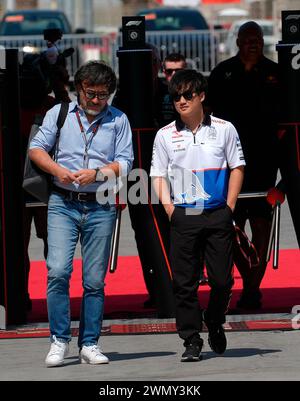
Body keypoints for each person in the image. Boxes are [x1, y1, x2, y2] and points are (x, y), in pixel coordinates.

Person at [29, 60, 133, 367]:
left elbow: (126, 162)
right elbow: (36, 148)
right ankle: (59, 340)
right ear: (79, 90)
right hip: (63, 202)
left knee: (94, 280)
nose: (96, 100)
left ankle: (89, 343)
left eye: (103, 94)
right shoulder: (59, 113)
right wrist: (58, 171)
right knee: (58, 271)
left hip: (101, 204)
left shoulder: (119, 120)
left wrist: (98, 173)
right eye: (90, 93)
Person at [150, 69, 245, 361]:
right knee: (184, 283)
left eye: (188, 94)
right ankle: (191, 339)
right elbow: (157, 175)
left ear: (201, 96)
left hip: (218, 213)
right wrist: (170, 210)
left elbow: (237, 167)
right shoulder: (164, 135)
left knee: (222, 281)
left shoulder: (225, 128)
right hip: (183, 216)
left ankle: (215, 320)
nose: (181, 100)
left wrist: (229, 207)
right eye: (176, 95)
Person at [207, 21, 280, 309]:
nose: (253, 44)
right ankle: (247, 274)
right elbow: (208, 113)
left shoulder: (275, 73)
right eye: (248, 39)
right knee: (231, 227)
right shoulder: (222, 72)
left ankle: (252, 289)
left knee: (262, 225)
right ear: (238, 42)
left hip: (264, 162)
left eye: (258, 39)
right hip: (229, 163)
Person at [155, 52, 187, 128]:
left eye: (178, 71)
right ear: (164, 72)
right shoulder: (157, 91)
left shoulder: (194, 92)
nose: (174, 74)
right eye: (169, 71)